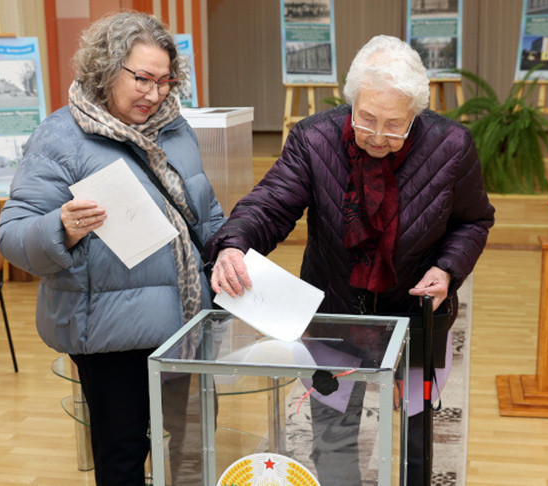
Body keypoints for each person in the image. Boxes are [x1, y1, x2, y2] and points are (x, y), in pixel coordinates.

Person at [207, 35, 494, 485]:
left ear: (416, 113)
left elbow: (474, 221)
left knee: (415, 431)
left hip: (418, 316)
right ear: (351, 100)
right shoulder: (314, 138)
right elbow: (271, 204)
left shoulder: (451, 145)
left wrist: (447, 269)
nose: (379, 136)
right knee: (334, 431)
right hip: (332, 316)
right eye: (367, 119)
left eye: (395, 124)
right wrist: (233, 243)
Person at [0, 12, 225, 486]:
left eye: (165, 81)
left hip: (186, 321)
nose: (155, 94)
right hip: (109, 334)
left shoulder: (175, 130)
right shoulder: (61, 138)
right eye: (142, 78)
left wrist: (229, 249)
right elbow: (12, 236)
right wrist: (61, 228)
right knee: (122, 456)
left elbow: (206, 213)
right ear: (105, 67)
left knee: (194, 443)